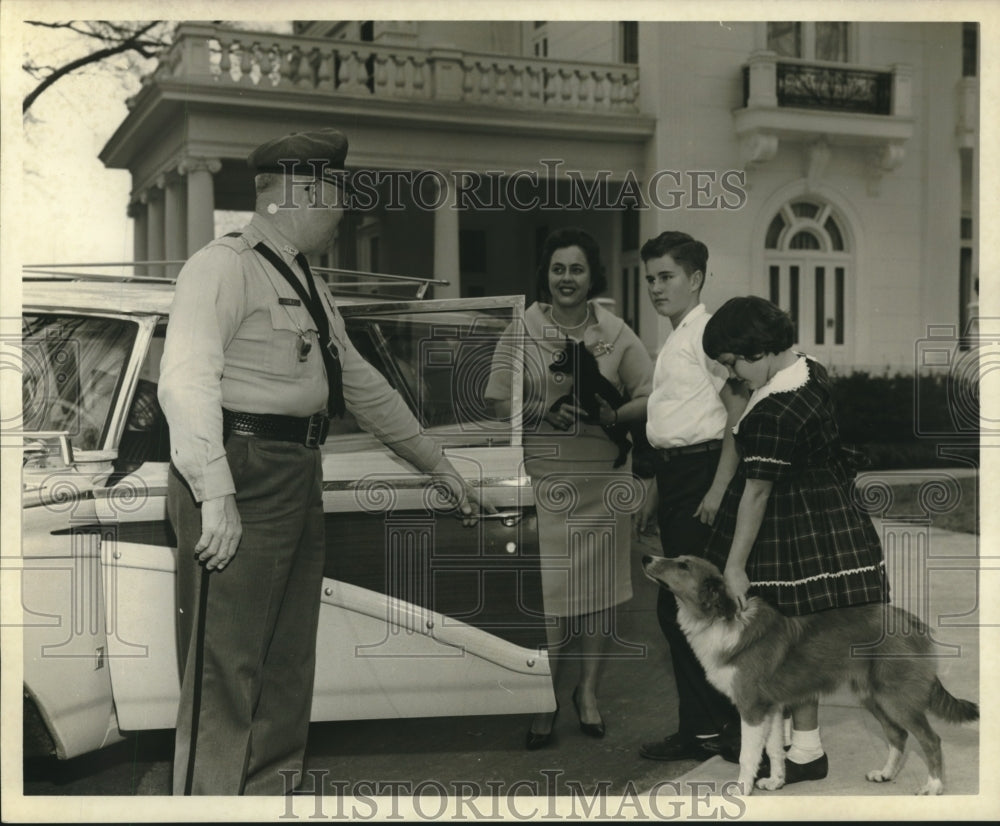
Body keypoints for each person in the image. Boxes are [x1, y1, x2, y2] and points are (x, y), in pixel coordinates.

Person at [158, 128, 484, 795]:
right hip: (239, 468)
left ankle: (269, 792)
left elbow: (357, 381)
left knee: (285, 657)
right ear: (301, 195)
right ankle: (207, 804)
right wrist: (215, 492)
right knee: (226, 662)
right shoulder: (222, 266)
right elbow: (184, 379)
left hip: (297, 466)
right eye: (336, 199)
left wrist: (436, 463)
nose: (343, 216)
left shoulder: (302, 277)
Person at [701, 295, 888, 783]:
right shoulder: (809, 369)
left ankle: (805, 749)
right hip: (822, 510)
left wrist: (736, 564)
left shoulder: (776, 410)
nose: (734, 376)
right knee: (795, 632)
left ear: (759, 350)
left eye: (732, 364)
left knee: (793, 632)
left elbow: (758, 492)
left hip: (792, 526)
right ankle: (790, 741)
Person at [484, 227, 652, 749]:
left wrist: (613, 412)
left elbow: (651, 394)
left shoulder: (616, 331)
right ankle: (546, 702)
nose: (566, 279)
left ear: (591, 276)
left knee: (601, 596)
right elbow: (494, 398)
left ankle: (589, 695)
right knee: (551, 597)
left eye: (576, 269)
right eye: (558, 269)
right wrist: (542, 410)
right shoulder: (523, 328)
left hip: (605, 481)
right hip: (547, 481)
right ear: (546, 275)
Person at [637, 231, 747, 763]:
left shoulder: (705, 334)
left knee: (693, 606)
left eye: (667, 277)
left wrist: (718, 487)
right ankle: (703, 728)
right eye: (651, 278)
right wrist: (659, 488)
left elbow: (738, 412)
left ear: (695, 278)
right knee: (678, 609)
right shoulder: (679, 336)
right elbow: (672, 423)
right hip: (677, 477)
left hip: (703, 475)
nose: (657, 288)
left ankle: (720, 726)